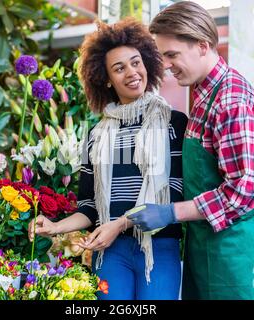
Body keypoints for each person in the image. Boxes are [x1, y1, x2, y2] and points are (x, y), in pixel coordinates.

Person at [128, 1, 254, 300]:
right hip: (205, 243)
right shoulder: (202, 97)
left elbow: (243, 191)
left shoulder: (231, 100)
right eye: (163, 56)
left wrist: (171, 212)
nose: (167, 66)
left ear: (201, 45)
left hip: (236, 252)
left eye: (172, 55)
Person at [28, 17, 187, 300]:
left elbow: (173, 196)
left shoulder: (174, 123)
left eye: (136, 62)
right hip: (111, 253)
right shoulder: (97, 135)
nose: (132, 72)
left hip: (159, 249)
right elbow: (89, 207)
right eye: (119, 68)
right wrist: (55, 226)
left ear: (147, 63)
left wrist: (120, 224)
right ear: (106, 80)